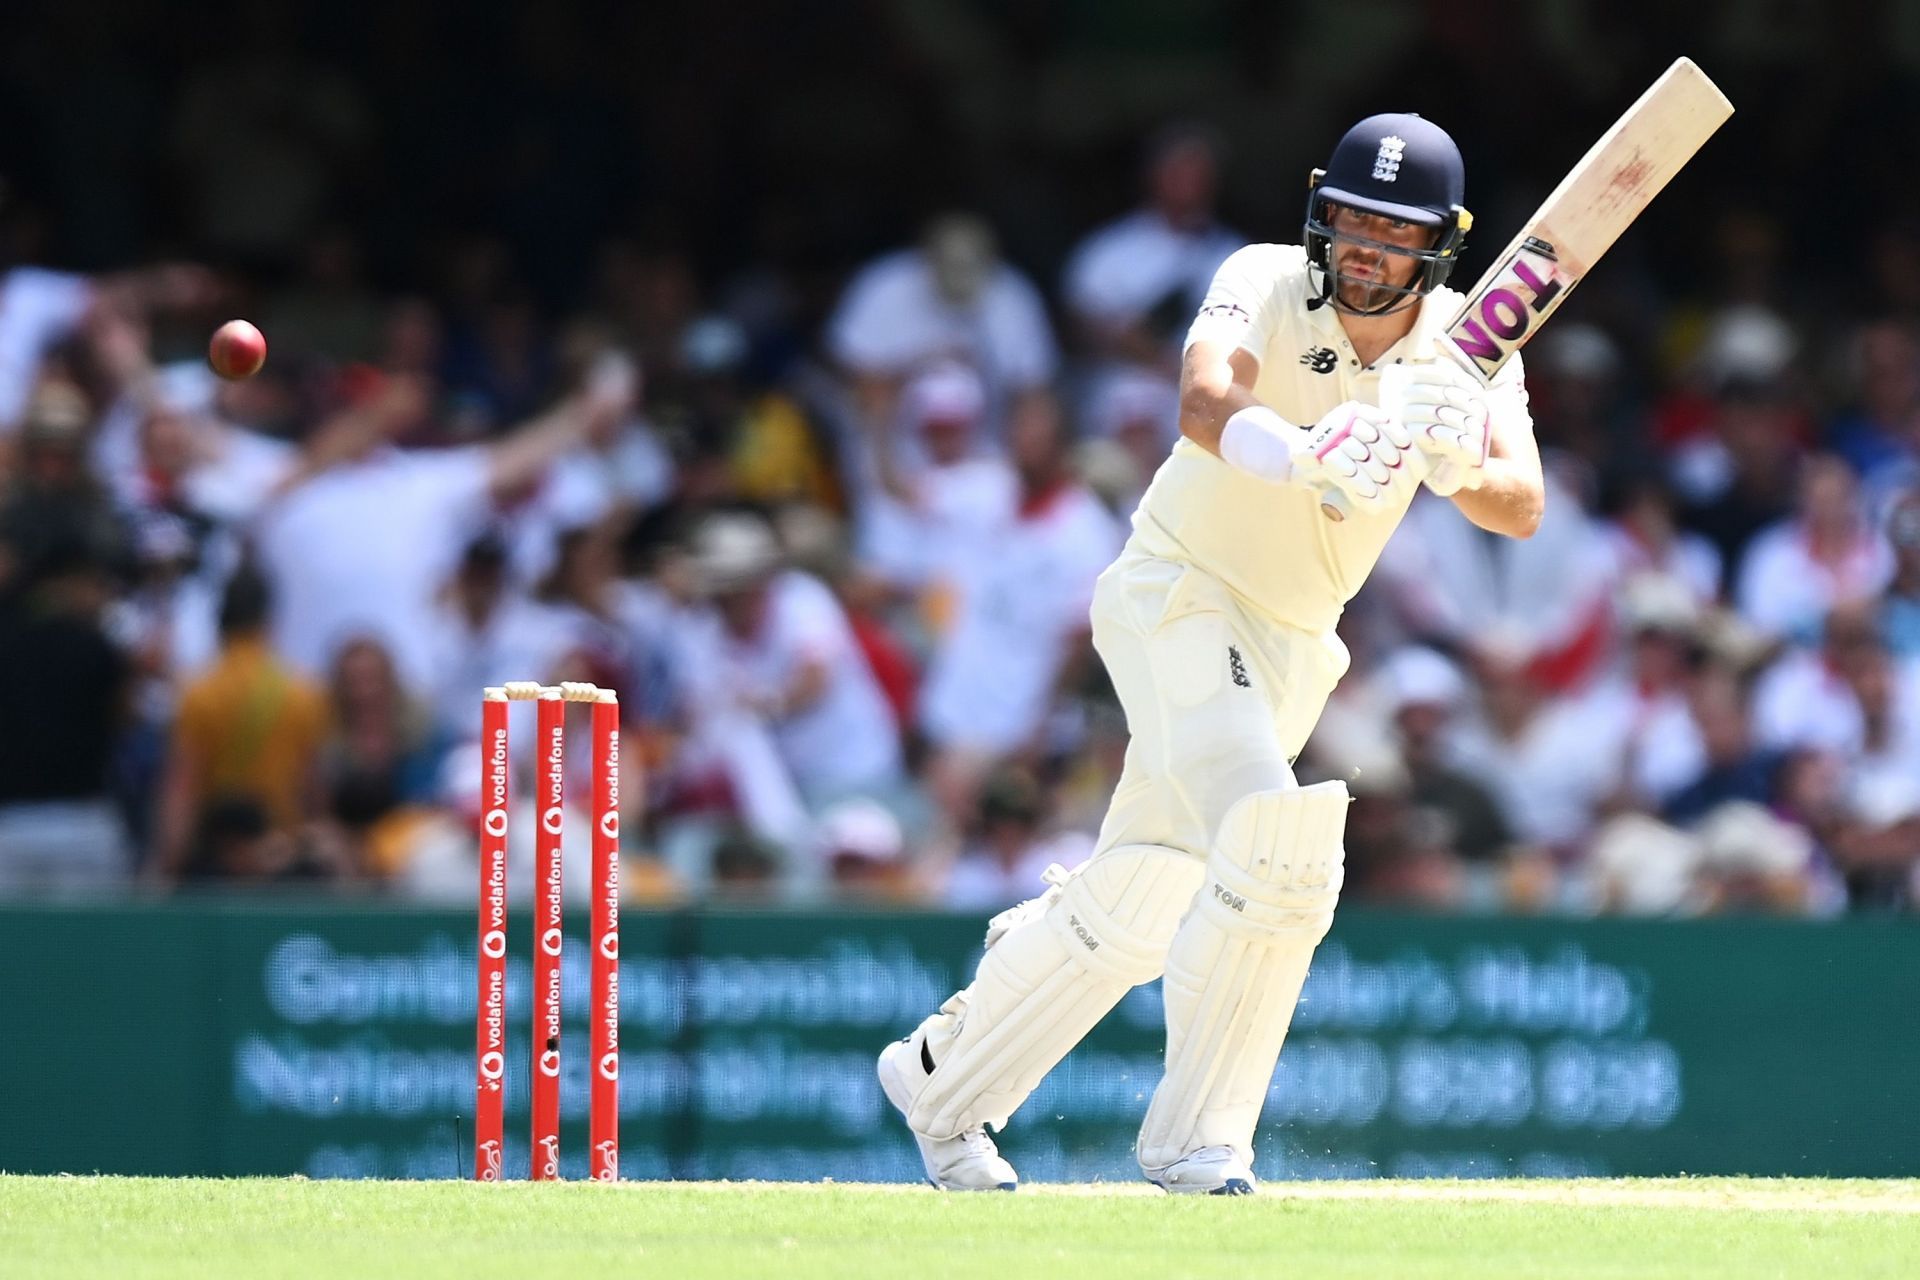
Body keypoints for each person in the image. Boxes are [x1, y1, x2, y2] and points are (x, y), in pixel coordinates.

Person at [876, 113, 1544, 1194]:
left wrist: (1451, 448)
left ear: (1440, 247)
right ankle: (1198, 1140)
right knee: (1276, 842)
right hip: (1176, 592)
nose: (1366, 254)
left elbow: (1521, 505)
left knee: (1143, 897)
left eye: (1394, 236)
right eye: (1351, 226)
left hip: (1289, 646)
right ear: (1322, 217)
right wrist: (1302, 452)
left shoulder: (1466, 348)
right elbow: (1202, 397)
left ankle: (939, 1080)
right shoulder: (1265, 277)